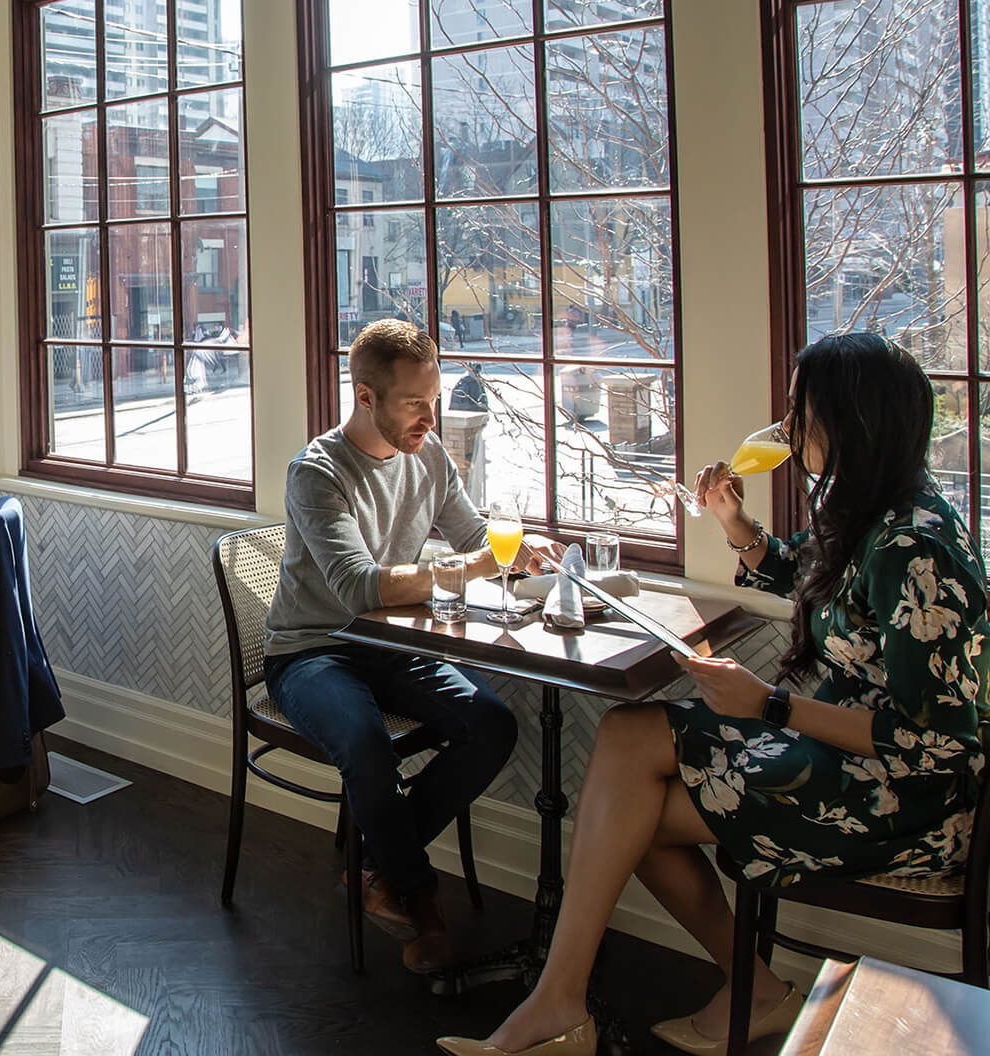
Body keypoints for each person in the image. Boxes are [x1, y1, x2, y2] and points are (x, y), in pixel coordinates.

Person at [443, 333, 988, 1056]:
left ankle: (571, 1006)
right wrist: (735, 524)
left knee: (626, 809)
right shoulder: (872, 515)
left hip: (905, 800)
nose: (787, 427)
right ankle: (577, 1002)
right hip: (843, 758)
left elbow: (940, 744)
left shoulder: (916, 548)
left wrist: (769, 704)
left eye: (802, 410)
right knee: (627, 755)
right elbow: (813, 584)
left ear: (853, 420)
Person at [264, 318, 554, 974]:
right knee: (365, 742)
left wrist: (520, 553)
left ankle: (374, 866)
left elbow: (475, 536)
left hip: (393, 645)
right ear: (366, 397)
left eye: (436, 397)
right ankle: (420, 898)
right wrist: (484, 565)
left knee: (493, 723)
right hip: (313, 649)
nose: (433, 415)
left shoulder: (431, 458)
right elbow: (359, 588)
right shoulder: (317, 472)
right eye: (415, 403)